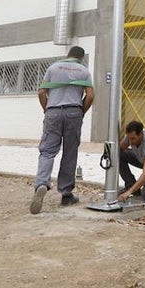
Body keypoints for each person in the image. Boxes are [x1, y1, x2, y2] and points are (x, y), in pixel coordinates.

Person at [30, 47, 94, 213]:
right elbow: (90, 95)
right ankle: (66, 195)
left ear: (68, 55)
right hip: (74, 111)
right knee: (70, 152)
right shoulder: (84, 71)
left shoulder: (53, 68)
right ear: (81, 58)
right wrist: (81, 112)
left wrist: (47, 109)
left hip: (53, 111)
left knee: (47, 151)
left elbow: (42, 92)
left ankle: (41, 184)